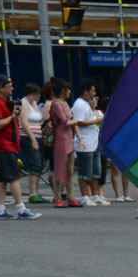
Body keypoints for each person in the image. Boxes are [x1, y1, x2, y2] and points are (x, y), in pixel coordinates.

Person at [0, 74, 40, 219]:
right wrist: (12, 116)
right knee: (15, 177)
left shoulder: (3, 102)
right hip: (2, 145)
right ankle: (21, 208)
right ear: (1, 87)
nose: (12, 88)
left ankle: (0, 210)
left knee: (3, 179)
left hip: (7, 145)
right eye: (9, 86)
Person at [44, 78, 80, 208]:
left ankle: (71, 197)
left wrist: (75, 123)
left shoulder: (64, 103)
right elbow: (65, 121)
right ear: (63, 91)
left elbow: (69, 120)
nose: (69, 91)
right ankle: (58, 197)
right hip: (60, 137)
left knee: (70, 171)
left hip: (68, 137)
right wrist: (76, 121)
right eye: (68, 89)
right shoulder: (56, 104)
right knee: (60, 168)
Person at [73, 79, 107, 206]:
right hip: (85, 144)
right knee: (85, 172)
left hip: (94, 143)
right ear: (85, 92)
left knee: (95, 172)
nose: (94, 93)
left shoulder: (86, 104)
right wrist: (95, 121)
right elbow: (79, 122)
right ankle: (85, 196)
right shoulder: (79, 104)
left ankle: (95, 195)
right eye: (92, 90)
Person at [18, 82, 48, 204]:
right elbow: (24, 123)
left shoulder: (34, 103)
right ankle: (32, 193)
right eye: (36, 94)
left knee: (39, 163)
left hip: (38, 135)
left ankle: (36, 192)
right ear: (30, 94)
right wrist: (33, 139)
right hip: (28, 137)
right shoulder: (24, 103)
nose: (38, 97)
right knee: (35, 163)